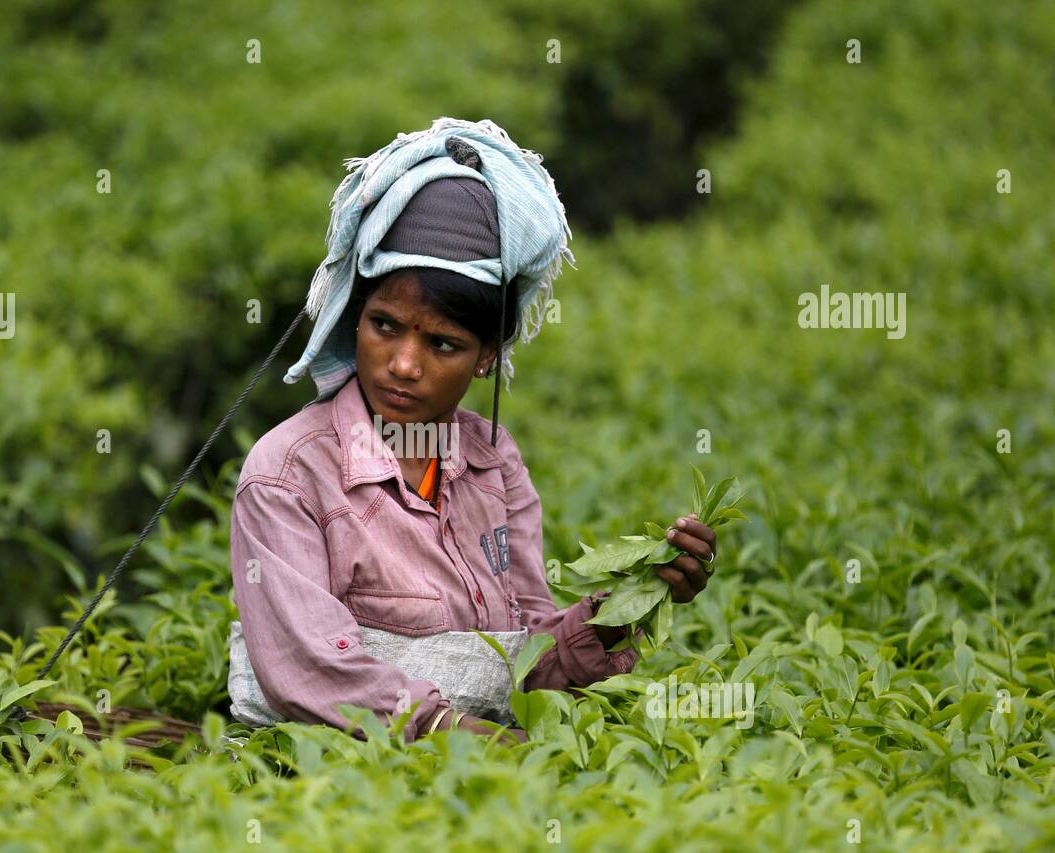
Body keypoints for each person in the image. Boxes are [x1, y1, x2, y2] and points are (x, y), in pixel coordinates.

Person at [228, 118, 716, 745]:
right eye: (384, 326)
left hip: (469, 783)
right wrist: (463, 738)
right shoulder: (287, 475)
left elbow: (533, 664)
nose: (404, 364)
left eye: (443, 343)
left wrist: (637, 601)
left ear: (487, 355)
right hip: (324, 783)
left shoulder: (493, 465)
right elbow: (312, 668)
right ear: (355, 318)